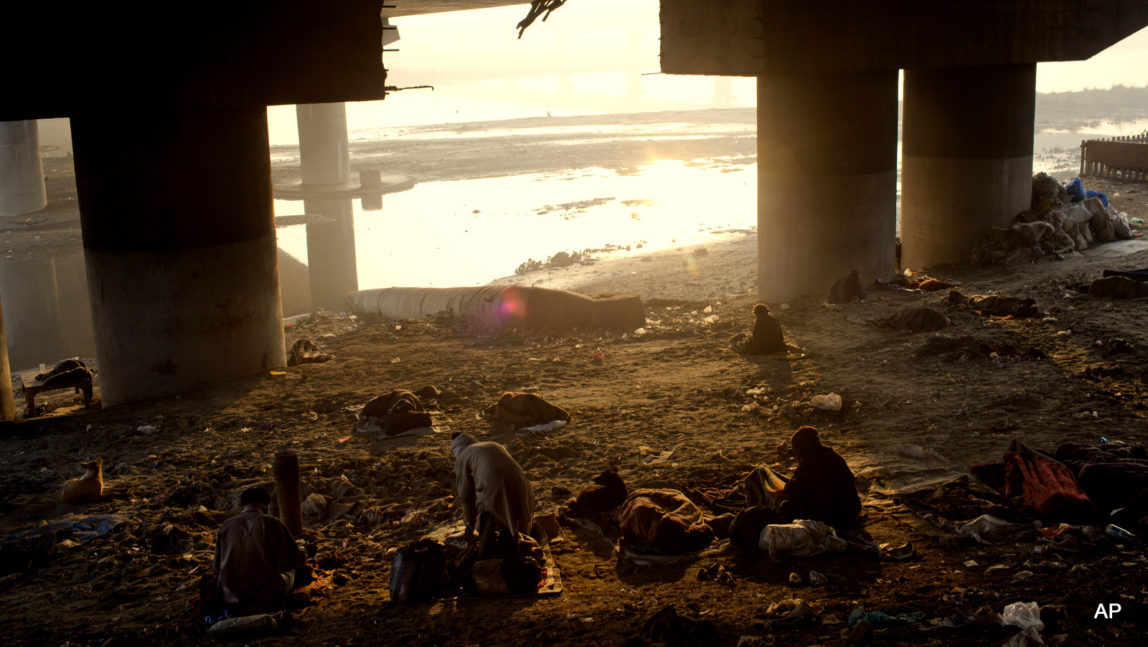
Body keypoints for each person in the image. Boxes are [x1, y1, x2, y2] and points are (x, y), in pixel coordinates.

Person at [743, 426, 861, 529]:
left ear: (801, 448)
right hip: (850, 512)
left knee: (785, 506)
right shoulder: (834, 456)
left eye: (796, 450)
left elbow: (793, 490)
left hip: (833, 517)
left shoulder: (812, 460)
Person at [214, 487, 306, 613]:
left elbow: (216, 566)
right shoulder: (272, 523)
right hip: (266, 596)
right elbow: (289, 562)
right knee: (292, 572)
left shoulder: (226, 526)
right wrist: (304, 554)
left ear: (242, 504)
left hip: (230, 597)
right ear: (264, 504)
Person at [451, 433, 536, 559]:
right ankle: (512, 554)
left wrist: (469, 525)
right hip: (521, 484)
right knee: (509, 520)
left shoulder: (463, 457)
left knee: (487, 520)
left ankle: (487, 563)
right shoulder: (493, 445)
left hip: (495, 486)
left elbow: (466, 497)